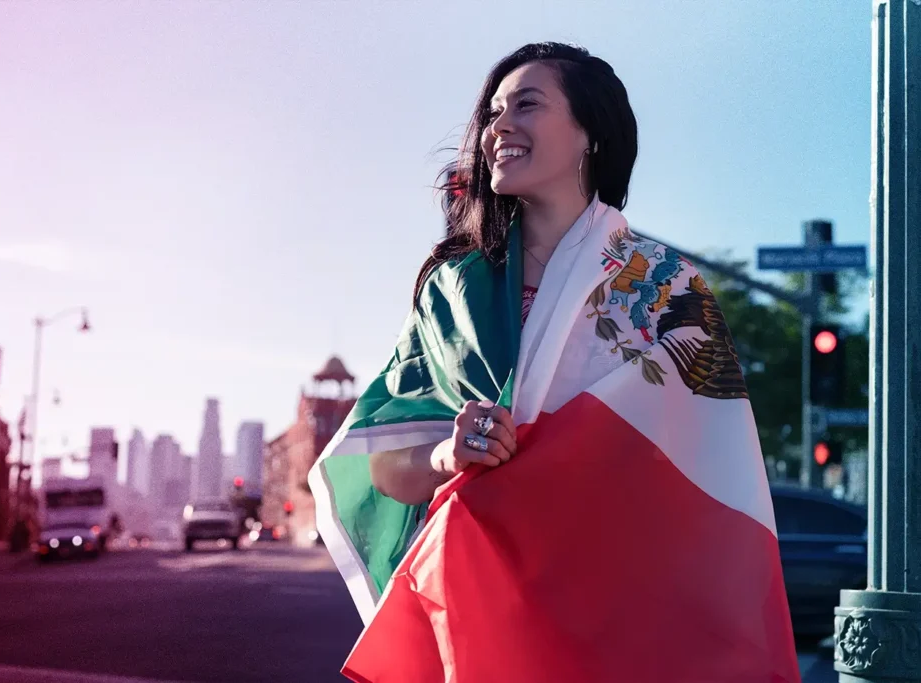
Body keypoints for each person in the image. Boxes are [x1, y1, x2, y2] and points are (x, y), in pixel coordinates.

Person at [309, 42, 800, 683]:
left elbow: (715, 473)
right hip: (481, 607)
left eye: (528, 104)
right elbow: (386, 469)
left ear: (590, 136)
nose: (498, 127)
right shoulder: (454, 289)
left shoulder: (665, 287)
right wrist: (447, 455)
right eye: (493, 112)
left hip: (622, 615)